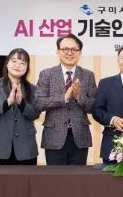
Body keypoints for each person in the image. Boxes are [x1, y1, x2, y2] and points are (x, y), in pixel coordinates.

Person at [35, 34, 97, 165]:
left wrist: (79, 97)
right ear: (58, 52)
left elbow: (93, 107)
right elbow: (39, 103)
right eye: (65, 49)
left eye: (74, 49)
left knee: (78, 176)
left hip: (80, 137)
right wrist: (65, 97)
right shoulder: (46, 74)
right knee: (55, 177)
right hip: (54, 136)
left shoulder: (88, 75)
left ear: (80, 53)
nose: (70, 53)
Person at [0, 48, 40, 165]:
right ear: (7, 63)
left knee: (27, 177)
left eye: (23, 63)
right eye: (14, 61)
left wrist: (21, 103)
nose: (18, 65)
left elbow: (35, 114)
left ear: (27, 67)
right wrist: (7, 102)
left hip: (25, 147)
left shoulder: (32, 89)